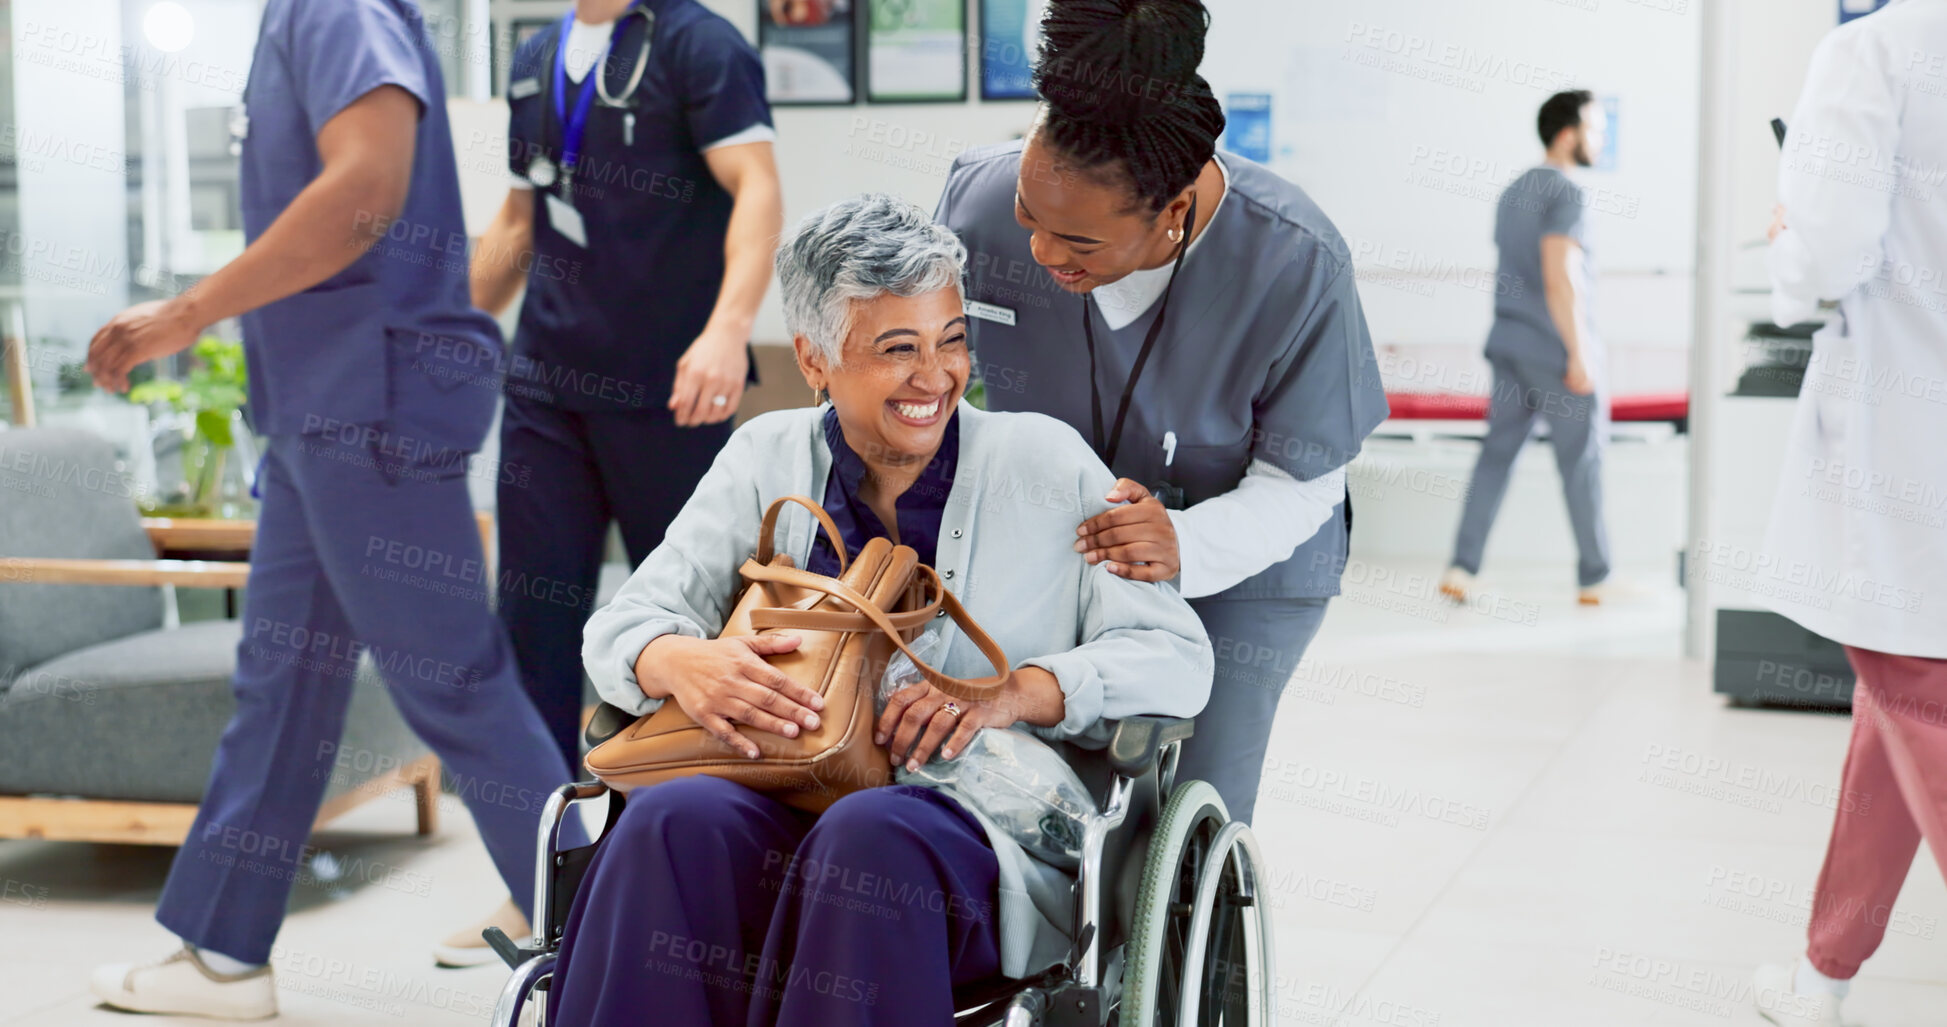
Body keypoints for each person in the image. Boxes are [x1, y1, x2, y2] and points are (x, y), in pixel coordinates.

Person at [549, 194, 1213, 1025]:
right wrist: (682, 661)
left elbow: (1173, 655)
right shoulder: (766, 455)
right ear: (814, 358)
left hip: (966, 836)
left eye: (951, 341)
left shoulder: (1045, 462)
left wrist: (1017, 690)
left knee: (868, 840)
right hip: (782, 799)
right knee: (671, 821)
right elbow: (622, 623)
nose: (934, 378)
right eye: (897, 349)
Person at [82, 0, 581, 1016]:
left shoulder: (337, 7)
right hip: (322, 410)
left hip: (369, 407)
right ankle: (222, 956)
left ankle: (615, 944)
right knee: (283, 689)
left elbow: (366, 186)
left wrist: (186, 311)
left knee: (457, 686)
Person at [934, 0, 1387, 825]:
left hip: (1240, 561)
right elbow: (934, 380)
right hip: (1054, 541)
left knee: (1189, 789)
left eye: (1077, 245)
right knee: (1009, 757)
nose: (1039, 253)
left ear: (1172, 213)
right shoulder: (978, 205)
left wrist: (1184, 545)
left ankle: (1193, 943)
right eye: (1031, 222)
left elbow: (1305, 478)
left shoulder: (1292, 260)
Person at [457, 0, 782, 966]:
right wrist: (441, 337)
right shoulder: (532, 56)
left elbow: (756, 187)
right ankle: (541, 887)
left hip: (670, 390)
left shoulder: (698, 44)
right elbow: (521, 215)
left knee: (691, 638)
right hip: (547, 387)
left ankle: (698, 870)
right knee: (533, 635)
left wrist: (728, 329)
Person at [1749, 3, 1947, 1024]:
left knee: (1918, 694)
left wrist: (1787, 239)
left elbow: (1825, 253)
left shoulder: (1873, 52)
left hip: (1911, 454)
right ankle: (1822, 979)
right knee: (1895, 710)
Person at [1438, 89, 1612, 607]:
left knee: (1496, 457)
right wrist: (1579, 351)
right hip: (1552, 348)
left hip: (1508, 340)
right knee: (1582, 460)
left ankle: (1461, 567)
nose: (1600, 140)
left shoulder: (1513, 190)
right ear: (1567, 134)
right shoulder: (1567, 192)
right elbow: (1560, 276)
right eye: (1595, 130)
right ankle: (1595, 577)